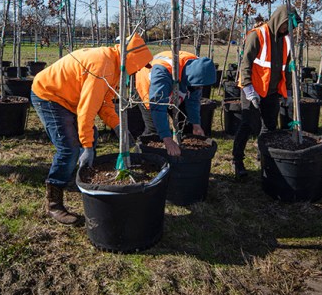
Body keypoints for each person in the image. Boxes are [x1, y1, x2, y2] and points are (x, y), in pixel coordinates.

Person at [30, 33, 153, 226]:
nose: (137, 71)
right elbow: (87, 109)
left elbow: (104, 103)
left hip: (69, 97)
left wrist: (118, 127)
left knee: (90, 137)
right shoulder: (102, 65)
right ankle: (54, 203)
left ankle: (80, 179)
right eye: (138, 66)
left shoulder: (113, 64)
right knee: (69, 148)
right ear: (132, 60)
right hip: (49, 95)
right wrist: (86, 146)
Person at [232, 5, 298, 178]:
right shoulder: (257, 35)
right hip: (253, 89)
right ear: (279, 20)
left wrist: (288, 91)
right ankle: (237, 160)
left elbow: (287, 67)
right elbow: (246, 63)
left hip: (272, 91)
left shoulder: (286, 41)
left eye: (290, 27)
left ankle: (264, 157)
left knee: (269, 127)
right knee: (247, 124)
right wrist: (248, 88)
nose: (287, 30)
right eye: (286, 25)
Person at [135, 51, 216, 157]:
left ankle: (178, 158)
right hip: (149, 89)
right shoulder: (162, 72)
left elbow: (193, 99)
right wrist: (167, 138)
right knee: (154, 131)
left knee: (185, 124)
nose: (200, 88)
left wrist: (196, 124)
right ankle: (143, 158)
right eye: (198, 86)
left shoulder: (198, 69)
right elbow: (158, 106)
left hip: (176, 84)